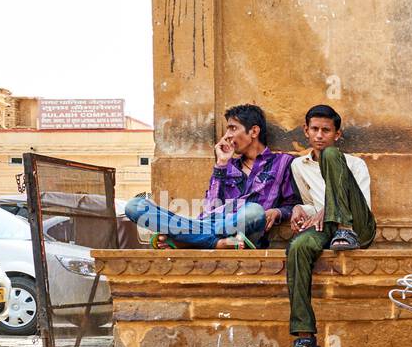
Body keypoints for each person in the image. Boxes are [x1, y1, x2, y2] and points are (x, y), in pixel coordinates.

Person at [280, 104, 376, 347]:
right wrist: (302, 209)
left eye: (326, 130)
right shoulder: (299, 165)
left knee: (332, 157)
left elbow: (364, 205)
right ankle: (305, 338)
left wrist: (330, 210)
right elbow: (311, 203)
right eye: (315, 129)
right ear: (306, 131)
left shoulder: (355, 164)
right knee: (298, 246)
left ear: (337, 134)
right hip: (328, 228)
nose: (320, 135)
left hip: (357, 226)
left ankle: (344, 229)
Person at [124, 104, 297, 249]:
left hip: (246, 227)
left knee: (254, 210)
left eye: (233, 128)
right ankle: (216, 243)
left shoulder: (283, 162)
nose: (227, 135)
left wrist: (278, 211)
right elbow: (210, 208)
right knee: (135, 206)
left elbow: (292, 203)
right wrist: (221, 164)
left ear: (254, 131)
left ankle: (186, 239)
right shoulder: (227, 166)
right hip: (214, 223)